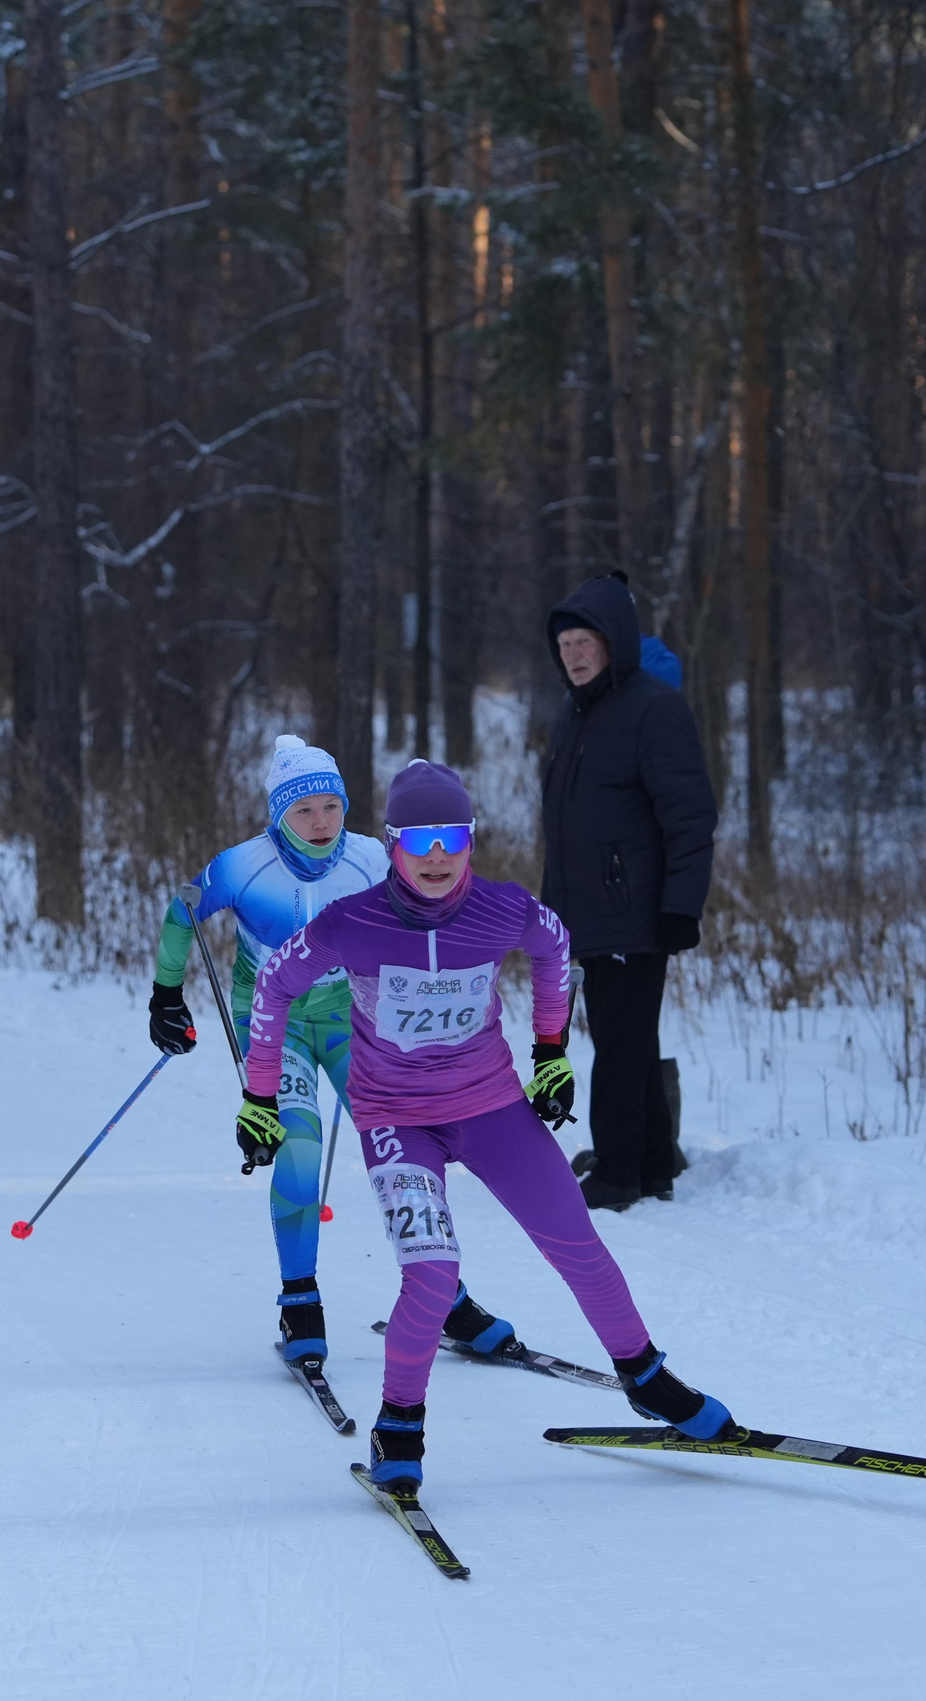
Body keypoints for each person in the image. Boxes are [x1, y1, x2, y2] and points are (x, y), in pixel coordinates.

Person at [242, 760, 733, 1493]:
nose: (435, 856)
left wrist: (551, 1051)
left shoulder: (504, 910)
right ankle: (399, 1425)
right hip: (398, 1122)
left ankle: (645, 1376)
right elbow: (275, 986)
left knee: (579, 1246)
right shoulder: (353, 922)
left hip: (492, 1109)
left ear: (469, 840)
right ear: (392, 844)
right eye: (417, 840)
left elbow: (556, 949)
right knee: (433, 1275)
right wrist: (260, 1095)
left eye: (450, 837)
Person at [150, 735, 516, 1369]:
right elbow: (183, 911)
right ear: (277, 815)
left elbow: (429, 907)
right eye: (303, 811)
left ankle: (447, 1300)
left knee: (404, 1146)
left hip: (353, 1015)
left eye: (331, 807)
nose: (320, 823)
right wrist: (165, 995)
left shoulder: (375, 859)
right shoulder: (244, 865)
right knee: (297, 1146)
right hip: (274, 1019)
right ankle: (300, 1302)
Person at [540, 573, 719, 1212]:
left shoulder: (653, 709)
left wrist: (679, 907)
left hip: (635, 913)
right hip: (589, 912)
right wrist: (548, 910)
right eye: (565, 646)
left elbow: (690, 816)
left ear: (615, 642)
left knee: (618, 1043)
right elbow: (564, 827)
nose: (576, 655)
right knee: (629, 1039)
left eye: (586, 641)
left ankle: (617, 1175)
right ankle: (650, 1163)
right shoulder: (577, 714)